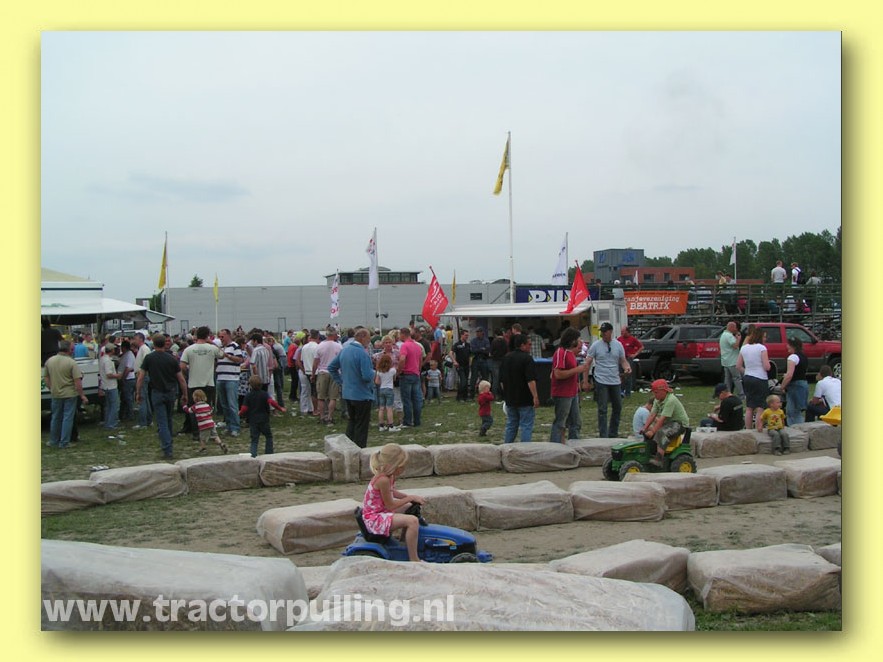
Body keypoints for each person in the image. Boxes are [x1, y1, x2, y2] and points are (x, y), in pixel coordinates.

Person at [361, 444, 426, 562]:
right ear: (394, 465)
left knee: (409, 507)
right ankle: (414, 559)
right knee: (413, 521)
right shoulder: (383, 480)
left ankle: (405, 540)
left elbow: (392, 492)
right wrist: (410, 497)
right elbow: (390, 505)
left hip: (380, 511)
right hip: (375, 518)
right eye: (402, 466)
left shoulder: (389, 477)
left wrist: (411, 499)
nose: (404, 469)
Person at [136, 334, 189, 460]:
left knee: (162, 421)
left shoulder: (149, 358)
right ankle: (169, 443)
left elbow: (141, 377)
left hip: (157, 391)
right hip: (170, 391)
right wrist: (185, 394)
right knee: (169, 418)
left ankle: (167, 448)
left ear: (153, 344)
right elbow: (181, 379)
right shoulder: (171, 359)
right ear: (165, 344)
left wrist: (138, 392)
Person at [328, 328, 376, 448]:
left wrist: (341, 382)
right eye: (368, 338)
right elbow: (366, 376)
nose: (369, 341)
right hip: (362, 394)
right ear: (362, 337)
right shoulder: (362, 353)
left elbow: (331, 367)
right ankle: (360, 450)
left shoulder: (345, 350)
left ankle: (348, 448)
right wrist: (375, 372)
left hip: (348, 393)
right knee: (362, 425)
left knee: (352, 422)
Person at [584, 322, 631, 438]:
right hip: (601, 380)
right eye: (602, 332)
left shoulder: (618, 345)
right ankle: (603, 435)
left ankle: (613, 433)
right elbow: (588, 362)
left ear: (610, 332)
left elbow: (623, 360)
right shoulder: (596, 345)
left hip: (615, 380)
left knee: (617, 407)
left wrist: (627, 368)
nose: (603, 334)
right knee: (602, 409)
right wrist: (585, 381)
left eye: (605, 332)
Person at [180, 326, 225, 440]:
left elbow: (182, 366)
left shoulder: (189, 349)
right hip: (208, 383)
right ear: (207, 336)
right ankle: (206, 432)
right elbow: (222, 354)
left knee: (194, 409)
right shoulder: (212, 348)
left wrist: (188, 373)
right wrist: (211, 342)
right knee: (207, 409)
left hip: (193, 383)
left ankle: (196, 433)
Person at [43, 340, 89, 448]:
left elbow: (46, 377)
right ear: (68, 349)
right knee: (67, 418)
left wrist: (51, 388)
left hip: (56, 393)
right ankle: (64, 442)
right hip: (69, 394)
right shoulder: (71, 362)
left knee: (55, 417)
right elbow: (77, 381)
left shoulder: (50, 361)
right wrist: (82, 395)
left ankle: (53, 440)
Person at [549, 326, 589, 443]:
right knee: (560, 422)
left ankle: (574, 443)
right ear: (572, 340)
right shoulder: (560, 352)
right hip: (563, 393)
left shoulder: (571, 354)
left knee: (576, 422)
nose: (580, 342)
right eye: (578, 339)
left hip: (573, 392)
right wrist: (577, 370)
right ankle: (555, 445)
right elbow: (557, 374)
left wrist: (578, 386)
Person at [499, 333, 540, 443]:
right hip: (525, 398)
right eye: (529, 344)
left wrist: (505, 394)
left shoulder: (506, 358)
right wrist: (535, 396)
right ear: (522, 345)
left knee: (511, 424)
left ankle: (506, 446)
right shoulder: (527, 359)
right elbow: (531, 380)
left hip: (510, 397)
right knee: (526, 425)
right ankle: (524, 449)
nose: (530, 346)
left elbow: (501, 380)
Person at [640, 379, 690, 467]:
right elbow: (652, 415)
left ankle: (659, 458)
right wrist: (645, 428)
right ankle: (650, 452)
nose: (654, 395)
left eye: (656, 392)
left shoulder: (671, 400)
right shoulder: (657, 400)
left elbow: (662, 419)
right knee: (649, 433)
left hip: (679, 423)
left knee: (661, 432)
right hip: (669, 423)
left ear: (663, 391)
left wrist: (653, 431)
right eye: (654, 393)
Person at [239, 375, 286, 457]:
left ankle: (253, 455)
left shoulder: (248, 396)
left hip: (253, 420)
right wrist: (280, 408)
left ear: (250, 385)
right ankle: (269, 453)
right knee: (268, 436)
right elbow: (271, 402)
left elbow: (244, 408)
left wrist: (239, 413)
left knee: (254, 439)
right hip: (264, 419)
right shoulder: (264, 394)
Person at [736, 325, 772, 432]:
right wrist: (768, 366)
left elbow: (738, 366)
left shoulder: (744, 348)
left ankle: (748, 430)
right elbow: (766, 366)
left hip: (748, 377)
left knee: (749, 406)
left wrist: (747, 371)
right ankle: (758, 428)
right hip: (760, 378)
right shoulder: (762, 348)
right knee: (760, 406)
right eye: (764, 337)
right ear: (759, 337)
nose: (765, 339)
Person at [216, 328, 244, 437]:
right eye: (219, 337)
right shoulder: (221, 348)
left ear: (228, 335)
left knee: (232, 404)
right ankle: (228, 426)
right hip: (220, 378)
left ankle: (235, 427)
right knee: (224, 405)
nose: (221, 339)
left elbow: (240, 360)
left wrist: (228, 356)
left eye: (222, 336)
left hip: (231, 378)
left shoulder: (234, 346)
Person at [182, 389, 228, 454]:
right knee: (215, 435)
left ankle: (203, 448)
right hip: (211, 423)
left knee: (202, 438)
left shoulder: (195, 407)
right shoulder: (207, 405)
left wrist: (184, 405)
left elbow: (188, 410)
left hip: (203, 425)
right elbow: (210, 411)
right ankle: (221, 444)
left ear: (195, 398)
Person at [313, 328, 342, 424]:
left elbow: (316, 362)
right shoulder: (339, 346)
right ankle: (330, 417)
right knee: (333, 397)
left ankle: (322, 417)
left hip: (322, 372)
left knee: (321, 397)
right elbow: (341, 361)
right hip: (335, 372)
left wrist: (313, 374)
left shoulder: (320, 346)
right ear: (334, 335)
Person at [397, 327, 424, 428]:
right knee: (416, 399)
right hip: (416, 374)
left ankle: (407, 421)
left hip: (406, 374)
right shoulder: (417, 346)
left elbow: (402, 359)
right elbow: (420, 360)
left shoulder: (404, 346)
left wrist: (399, 371)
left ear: (403, 334)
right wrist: (418, 370)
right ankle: (417, 420)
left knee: (407, 399)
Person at [780, 336, 809, 426]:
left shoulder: (792, 357)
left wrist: (782, 386)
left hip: (795, 386)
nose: (787, 346)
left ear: (792, 346)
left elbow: (789, 375)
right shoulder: (803, 356)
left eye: (788, 345)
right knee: (798, 411)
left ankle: (796, 430)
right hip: (803, 385)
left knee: (792, 413)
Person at [131, 332, 153, 429]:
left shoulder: (144, 349)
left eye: (135, 339)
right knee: (145, 399)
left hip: (142, 376)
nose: (134, 341)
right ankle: (149, 420)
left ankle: (143, 422)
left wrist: (141, 374)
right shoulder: (141, 349)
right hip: (141, 375)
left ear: (140, 339)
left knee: (142, 398)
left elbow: (146, 363)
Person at [99, 343, 121, 430]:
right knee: (114, 405)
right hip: (111, 386)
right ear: (112, 350)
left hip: (105, 385)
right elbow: (109, 374)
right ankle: (112, 424)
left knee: (108, 406)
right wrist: (117, 375)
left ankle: (107, 422)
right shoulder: (108, 361)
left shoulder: (102, 359)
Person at [719, 321, 744, 399]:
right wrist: (738, 339)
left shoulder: (723, 335)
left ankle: (727, 394)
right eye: (735, 327)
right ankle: (741, 395)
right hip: (732, 361)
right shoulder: (729, 336)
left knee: (727, 380)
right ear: (731, 327)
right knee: (737, 378)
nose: (736, 329)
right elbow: (735, 346)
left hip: (725, 361)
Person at [616, 325, 643, 397]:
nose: (621, 332)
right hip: (620, 359)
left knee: (628, 375)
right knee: (621, 375)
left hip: (628, 359)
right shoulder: (619, 339)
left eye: (623, 331)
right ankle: (621, 392)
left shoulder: (632, 339)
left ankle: (628, 393)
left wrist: (635, 354)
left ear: (627, 331)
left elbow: (641, 347)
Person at [374, 353, 398, 432]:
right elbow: (394, 379)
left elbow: (377, 381)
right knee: (389, 408)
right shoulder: (393, 370)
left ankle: (381, 425)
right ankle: (390, 425)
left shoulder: (379, 371)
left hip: (382, 389)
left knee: (381, 408)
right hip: (389, 389)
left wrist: (382, 382)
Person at [450, 330, 472, 402]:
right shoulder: (457, 344)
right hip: (460, 365)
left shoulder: (468, 345)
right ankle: (459, 397)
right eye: (465, 335)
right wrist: (454, 361)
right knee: (463, 381)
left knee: (466, 381)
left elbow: (470, 355)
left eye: (467, 335)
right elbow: (450, 353)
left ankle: (465, 397)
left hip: (466, 365)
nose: (467, 337)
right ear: (461, 335)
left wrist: (470, 362)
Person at [469, 327, 491, 398]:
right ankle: (472, 395)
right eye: (477, 332)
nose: (477, 333)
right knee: (474, 377)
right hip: (476, 360)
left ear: (482, 332)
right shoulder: (473, 340)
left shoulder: (486, 340)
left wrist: (479, 350)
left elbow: (487, 350)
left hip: (484, 359)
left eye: (479, 332)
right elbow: (473, 351)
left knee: (485, 377)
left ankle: (485, 393)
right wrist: (482, 349)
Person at [118, 339, 136, 423]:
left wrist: (123, 378)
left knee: (128, 398)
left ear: (124, 347)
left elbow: (128, 368)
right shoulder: (125, 355)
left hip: (128, 379)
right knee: (124, 398)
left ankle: (130, 415)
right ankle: (123, 414)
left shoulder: (129, 355)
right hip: (126, 378)